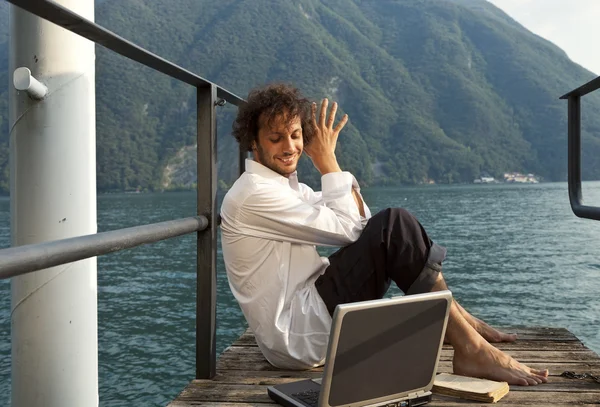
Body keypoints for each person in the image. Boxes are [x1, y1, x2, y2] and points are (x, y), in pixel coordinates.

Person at [220, 83, 549, 386]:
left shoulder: (289, 190)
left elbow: (362, 222)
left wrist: (331, 170)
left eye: (295, 135)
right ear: (253, 142)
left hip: (306, 318)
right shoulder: (255, 194)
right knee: (395, 226)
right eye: (275, 138)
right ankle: (468, 345)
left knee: (393, 228)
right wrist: (327, 160)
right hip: (299, 335)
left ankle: (461, 326)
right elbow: (354, 229)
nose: (289, 146)